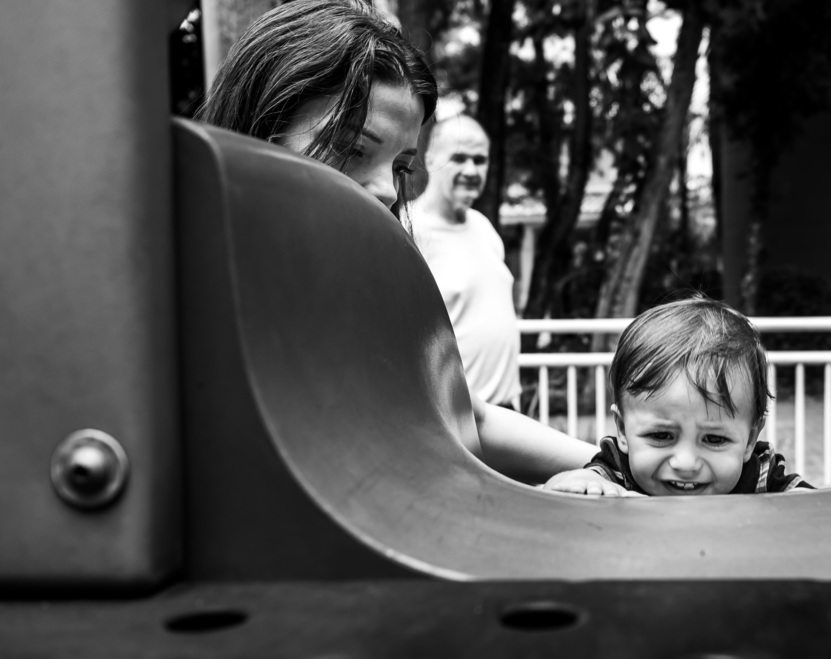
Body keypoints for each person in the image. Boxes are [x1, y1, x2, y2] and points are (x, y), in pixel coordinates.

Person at [198, 0, 594, 482]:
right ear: (260, 125)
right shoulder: (183, 297)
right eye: (350, 147)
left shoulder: (360, 295)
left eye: (401, 167)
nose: (389, 189)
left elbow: (463, 415)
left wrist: (610, 465)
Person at [544, 296, 815, 496]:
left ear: (749, 441)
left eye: (714, 439)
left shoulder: (760, 477)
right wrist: (585, 484)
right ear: (623, 430)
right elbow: (589, 478)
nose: (685, 463)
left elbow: (820, 508)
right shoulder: (616, 470)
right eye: (661, 436)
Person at [411, 116, 521, 409]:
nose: (471, 170)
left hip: (505, 410)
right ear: (431, 159)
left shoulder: (483, 227)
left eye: (480, 160)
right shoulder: (409, 231)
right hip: (454, 415)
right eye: (458, 158)